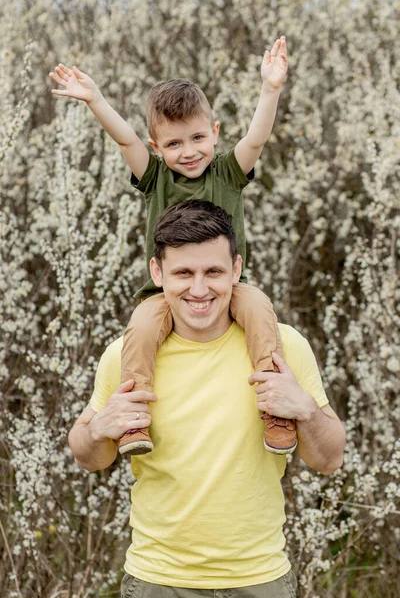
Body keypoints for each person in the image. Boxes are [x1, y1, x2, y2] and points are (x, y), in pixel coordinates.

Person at [69, 200, 346, 598]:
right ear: (157, 272)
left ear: (236, 269)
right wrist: (98, 429)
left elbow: (329, 459)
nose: (199, 289)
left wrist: (304, 409)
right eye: (183, 273)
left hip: (260, 578)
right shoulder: (126, 356)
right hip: (157, 580)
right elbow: (88, 458)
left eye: (213, 272)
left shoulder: (285, 348)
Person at [49, 38, 296, 457]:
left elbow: (256, 139)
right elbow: (126, 139)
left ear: (214, 133)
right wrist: (96, 101)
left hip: (229, 287)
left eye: (198, 138)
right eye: (174, 144)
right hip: (167, 293)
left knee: (259, 311)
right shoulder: (156, 178)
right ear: (157, 148)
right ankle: (134, 420)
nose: (188, 152)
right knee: (142, 329)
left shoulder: (228, 172)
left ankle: (275, 407)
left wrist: (270, 89)